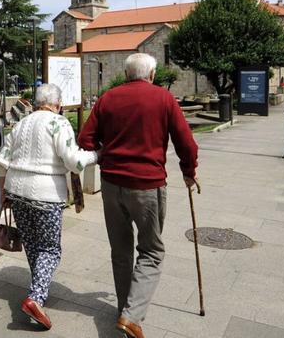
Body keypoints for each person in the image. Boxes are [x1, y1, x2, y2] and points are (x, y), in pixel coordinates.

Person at [78, 53, 198, 338]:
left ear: (127, 74)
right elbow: (187, 143)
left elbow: (85, 140)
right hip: (147, 186)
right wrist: (188, 171)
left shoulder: (107, 98)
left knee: (120, 251)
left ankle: (125, 310)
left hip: (111, 185)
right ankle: (131, 316)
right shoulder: (163, 98)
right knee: (152, 251)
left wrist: (108, 154)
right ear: (152, 75)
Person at [0, 83, 97, 330]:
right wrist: (96, 156)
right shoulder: (58, 122)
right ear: (58, 103)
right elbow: (74, 161)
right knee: (50, 249)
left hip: (17, 191)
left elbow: (1, 162)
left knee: (31, 243)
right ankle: (35, 298)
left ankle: (37, 289)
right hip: (46, 195)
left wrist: (3, 192)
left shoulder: (20, 124)